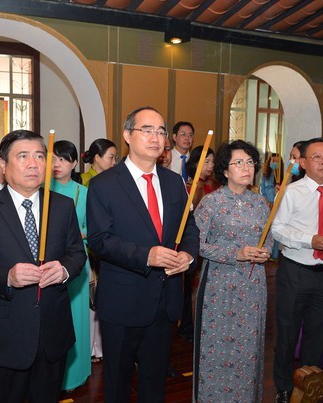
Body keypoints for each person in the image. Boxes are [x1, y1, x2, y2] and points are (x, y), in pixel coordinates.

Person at [0, 130, 86, 402]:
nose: (33, 164)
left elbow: (76, 252)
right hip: (6, 335)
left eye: (40, 156)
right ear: (2, 165)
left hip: (53, 331)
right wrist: (7, 277)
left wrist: (63, 270)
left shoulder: (62, 206)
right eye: (23, 156)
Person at [87, 106, 199, 402]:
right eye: (146, 130)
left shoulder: (175, 183)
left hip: (165, 301)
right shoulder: (104, 184)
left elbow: (189, 230)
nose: (155, 137)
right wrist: (146, 256)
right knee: (118, 382)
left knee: (154, 381)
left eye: (161, 131)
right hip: (123, 300)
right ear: (127, 135)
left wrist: (188, 256)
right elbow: (99, 240)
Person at [271, 138, 323, 403]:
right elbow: (278, 229)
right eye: (317, 157)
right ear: (303, 162)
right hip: (295, 272)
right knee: (287, 332)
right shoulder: (290, 192)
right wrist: (311, 240)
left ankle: (307, 383)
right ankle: (284, 386)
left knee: (318, 334)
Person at [193, 139, 272, 402]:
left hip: (253, 285)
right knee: (216, 347)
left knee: (248, 347)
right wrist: (235, 254)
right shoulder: (211, 203)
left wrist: (265, 251)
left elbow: (268, 238)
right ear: (225, 170)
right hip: (219, 284)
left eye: (250, 162)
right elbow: (198, 245)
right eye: (239, 162)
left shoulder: (260, 203)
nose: (246, 167)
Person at [50, 140, 91, 391]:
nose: (57, 164)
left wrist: (80, 233)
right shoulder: (41, 189)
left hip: (75, 259)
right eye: (53, 159)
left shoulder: (83, 192)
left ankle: (75, 374)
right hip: (50, 259)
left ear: (74, 163)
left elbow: (94, 228)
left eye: (63, 159)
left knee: (76, 317)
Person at [177, 145, 219, 342]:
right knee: (189, 287)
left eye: (212, 161)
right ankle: (188, 325)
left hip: (211, 243)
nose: (210, 166)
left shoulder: (214, 185)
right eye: (206, 161)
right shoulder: (189, 186)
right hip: (193, 242)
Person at [260, 152, 284, 259]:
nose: (274, 163)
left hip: (278, 207)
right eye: (272, 161)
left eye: (277, 162)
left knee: (276, 230)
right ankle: (265, 253)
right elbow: (262, 190)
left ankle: (274, 256)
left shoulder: (283, 177)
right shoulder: (266, 176)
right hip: (267, 206)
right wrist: (267, 203)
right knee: (266, 230)